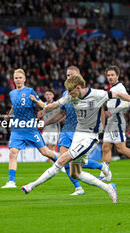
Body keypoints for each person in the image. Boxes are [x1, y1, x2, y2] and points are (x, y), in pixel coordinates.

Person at [21, 74, 130, 203]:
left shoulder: (97, 94)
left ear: (78, 87)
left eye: (70, 91)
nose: (68, 94)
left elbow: (119, 95)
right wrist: (42, 109)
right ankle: (108, 187)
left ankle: (31, 186)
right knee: (75, 173)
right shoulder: (70, 96)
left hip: (91, 137)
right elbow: (53, 106)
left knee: (62, 160)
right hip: (78, 135)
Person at [43, 66, 111, 196]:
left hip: (80, 131)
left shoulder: (89, 94)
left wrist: (101, 128)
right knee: (64, 161)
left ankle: (101, 166)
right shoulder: (66, 94)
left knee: (73, 162)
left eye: (71, 75)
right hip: (66, 129)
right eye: (67, 75)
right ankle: (78, 188)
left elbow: (100, 111)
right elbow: (61, 112)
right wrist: (47, 122)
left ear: (79, 77)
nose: (69, 77)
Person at [1, 69, 60, 189]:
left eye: (20, 78)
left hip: (30, 128)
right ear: (14, 80)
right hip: (17, 128)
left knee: (44, 152)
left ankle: (59, 163)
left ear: (24, 79)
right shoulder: (12, 93)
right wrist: (9, 115)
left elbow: (44, 106)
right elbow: (13, 107)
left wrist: (35, 100)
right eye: (16, 78)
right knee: (13, 153)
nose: (18, 80)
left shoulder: (30, 91)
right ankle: (11, 182)